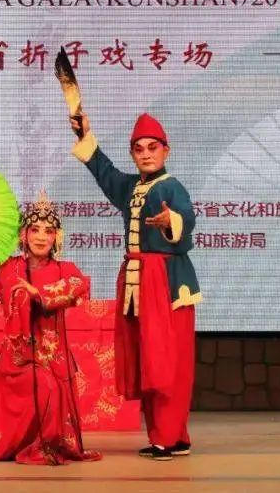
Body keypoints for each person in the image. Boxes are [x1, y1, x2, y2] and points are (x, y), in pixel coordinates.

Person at [70, 111, 200, 461]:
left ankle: (168, 437)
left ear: (166, 151)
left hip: (166, 284)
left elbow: (187, 219)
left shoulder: (172, 187)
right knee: (149, 361)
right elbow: (104, 172)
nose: (146, 154)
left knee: (168, 362)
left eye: (152, 148)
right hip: (138, 284)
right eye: (139, 149)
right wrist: (85, 135)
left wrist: (170, 220)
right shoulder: (130, 188)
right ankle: (170, 437)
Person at [0, 192, 102, 465]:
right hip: (19, 360)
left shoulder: (65, 269)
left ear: (56, 237)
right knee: (46, 386)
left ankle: (45, 446)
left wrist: (37, 293)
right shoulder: (7, 269)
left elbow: (78, 286)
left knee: (51, 386)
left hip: (54, 358)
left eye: (48, 231)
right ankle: (31, 447)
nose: (41, 237)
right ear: (23, 234)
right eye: (34, 229)